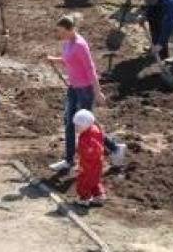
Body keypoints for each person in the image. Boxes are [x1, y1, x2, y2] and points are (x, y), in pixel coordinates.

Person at [46, 14, 125, 173]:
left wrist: (98, 92)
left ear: (71, 29)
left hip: (85, 91)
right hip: (73, 88)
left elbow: (90, 70)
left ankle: (115, 148)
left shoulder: (81, 45)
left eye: (61, 31)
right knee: (69, 122)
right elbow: (69, 60)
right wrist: (54, 59)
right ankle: (69, 161)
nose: (58, 34)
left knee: (87, 125)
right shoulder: (68, 42)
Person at [71, 109, 107, 206]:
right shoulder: (94, 130)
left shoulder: (88, 138)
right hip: (97, 163)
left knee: (84, 181)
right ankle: (99, 196)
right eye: (75, 125)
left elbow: (92, 150)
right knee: (95, 180)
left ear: (86, 125)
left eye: (78, 126)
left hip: (89, 164)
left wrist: (81, 152)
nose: (75, 128)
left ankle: (84, 198)